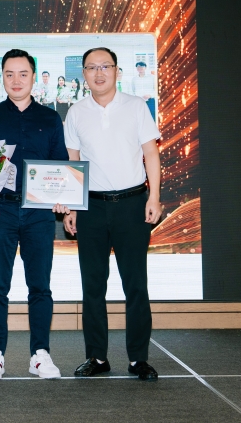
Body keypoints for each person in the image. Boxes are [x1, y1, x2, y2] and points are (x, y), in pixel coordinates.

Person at [62, 47, 162, 382]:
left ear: (117, 71)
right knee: (92, 285)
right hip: (91, 207)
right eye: (91, 67)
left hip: (132, 204)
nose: (99, 73)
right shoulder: (76, 112)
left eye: (105, 66)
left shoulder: (136, 107)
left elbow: (151, 154)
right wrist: (72, 206)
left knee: (136, 285)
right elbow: (73, 162)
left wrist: (154, 196)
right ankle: (97, 356)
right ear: (84, 74)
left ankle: (138, 359)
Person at [0, 49, 70, 381]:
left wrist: (62, 197)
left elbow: (60, 166)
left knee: (40, 285)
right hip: (0, 210)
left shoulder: (50, 118)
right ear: (1, 77)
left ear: (33, 77)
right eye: (9, 74)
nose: (16, 80)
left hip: (39, 213)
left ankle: (40, 355)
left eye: (23, 74)